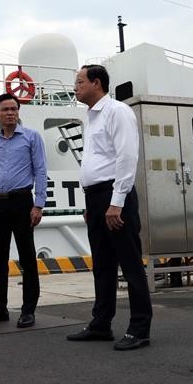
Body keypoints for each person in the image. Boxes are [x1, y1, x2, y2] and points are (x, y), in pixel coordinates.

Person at [66, 65, 152, 351]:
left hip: (116, 196)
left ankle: (139, 329)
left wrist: (116, 203)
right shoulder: (91, 117)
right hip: (97, 198)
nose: (75, 86)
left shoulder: (117, 111)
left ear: (97, 83)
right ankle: (101, 324)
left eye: (79, 81)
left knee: (130, 264)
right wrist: (92, 203)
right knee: (102, 265)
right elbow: (97, 161)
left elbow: (127, 158)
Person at [0, 93, 47, 328]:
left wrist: (39, 204)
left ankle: (28, 310)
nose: (11, 113)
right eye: (5, 109)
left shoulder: (31, 137)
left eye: (14, 109)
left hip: (22, 202)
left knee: (27, 256)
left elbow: (41, 170)